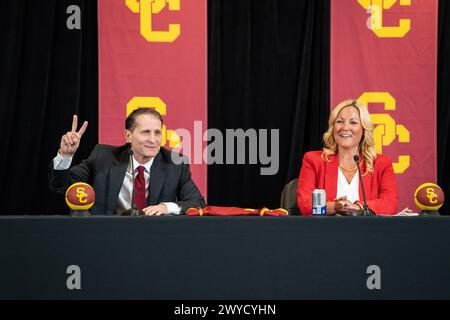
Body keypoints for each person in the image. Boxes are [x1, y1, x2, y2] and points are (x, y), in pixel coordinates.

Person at [49, 108, 206, 215]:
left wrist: (166, 207)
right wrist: (65, 155)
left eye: (157, 133)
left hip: (155, 239)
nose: (153, 140)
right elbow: (61, 187)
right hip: (109, 237)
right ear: (128, 136)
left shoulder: (175, 164)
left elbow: (197, 203)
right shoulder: (102, 157)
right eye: (146, 132)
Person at [297, 99, 398, 216]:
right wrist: (335, 207)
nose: (345, 128)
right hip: (325, 231)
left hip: (368, 232)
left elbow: (390, 204)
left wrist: (359, 207)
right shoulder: (314, 160)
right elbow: (305, 204)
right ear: (333, 127)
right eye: (339, 121)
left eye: (353, 122)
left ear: (364, 129)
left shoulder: (382, 163)